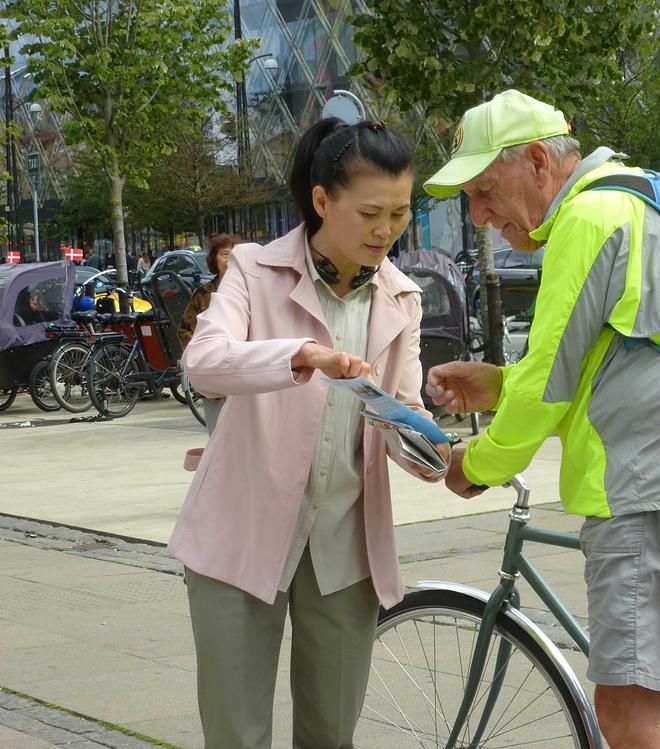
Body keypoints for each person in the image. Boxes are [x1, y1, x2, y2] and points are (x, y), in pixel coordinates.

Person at [423, 90, 660, 749]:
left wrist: (475, 464)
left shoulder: (589, 217)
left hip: (656, 492)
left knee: (630, 715)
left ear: (537, 160)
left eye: (483, 189)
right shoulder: (638, 198)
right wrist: (500, 385)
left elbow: (548, 379)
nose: (478, 213)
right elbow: (616, 364)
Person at [169, 116, 447, 748]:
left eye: (401, 214)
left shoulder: (401, 297)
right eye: (372, 212)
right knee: (236, 735)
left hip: (344, 548)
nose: (387, 231)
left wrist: (438, 443)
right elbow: (205, 364)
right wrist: (300, 355)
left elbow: (399, 415)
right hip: (238, 537)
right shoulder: (250, 270)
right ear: (322, 201)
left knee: (331, 735)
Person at [176, 233, 240, 434]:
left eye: (235, 255)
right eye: (225, 255)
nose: (230, 260)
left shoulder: (253, 292)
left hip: (245, 378)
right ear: (214, 259)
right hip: (215, 379)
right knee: (218, 438)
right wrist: (202, 358)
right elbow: (185, 330)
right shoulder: (203, 294)